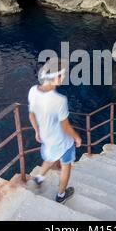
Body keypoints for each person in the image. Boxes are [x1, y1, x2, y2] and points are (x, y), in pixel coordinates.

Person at [28, 58, 82, 203]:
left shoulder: (33, 91)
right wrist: (76, 138)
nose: (63, 78)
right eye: (62, 75)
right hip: (62, 141)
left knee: (50, 157)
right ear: (54, 77)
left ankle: (39, 178)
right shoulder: (60, 100)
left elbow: (31, 114)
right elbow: (65, 127)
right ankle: (61, 195)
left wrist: (36, 131)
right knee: (66, 167)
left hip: (46, 137)